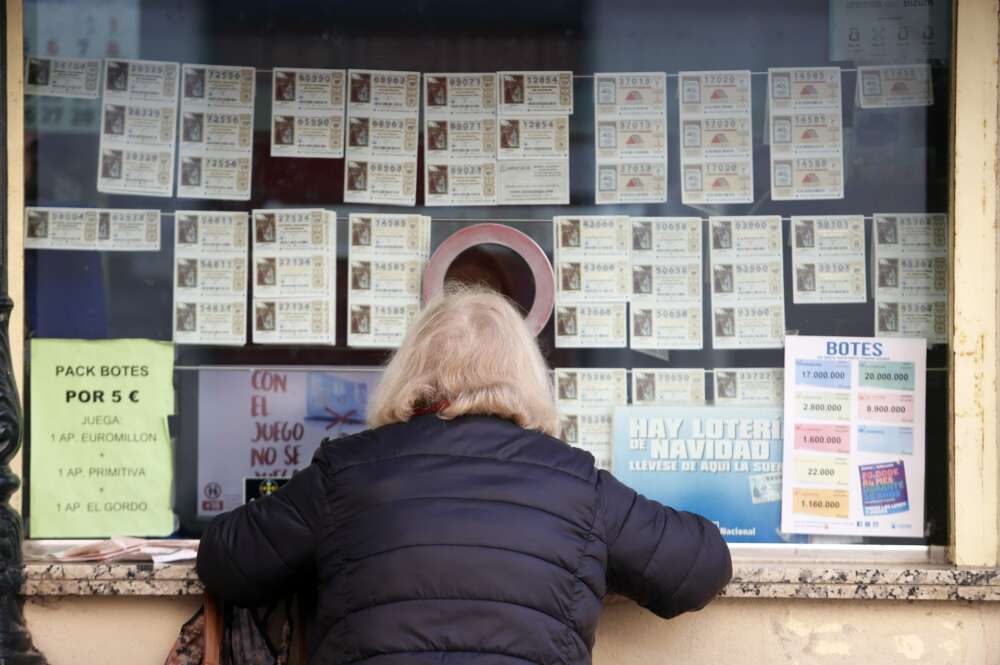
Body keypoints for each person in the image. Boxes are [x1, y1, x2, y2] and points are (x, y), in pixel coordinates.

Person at [197, 285, 732, 665]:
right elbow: (701, 567)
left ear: (410, 370)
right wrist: (588, 560)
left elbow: (226, 559)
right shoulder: (577, 485)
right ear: (526, 375)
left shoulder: (347, 472)